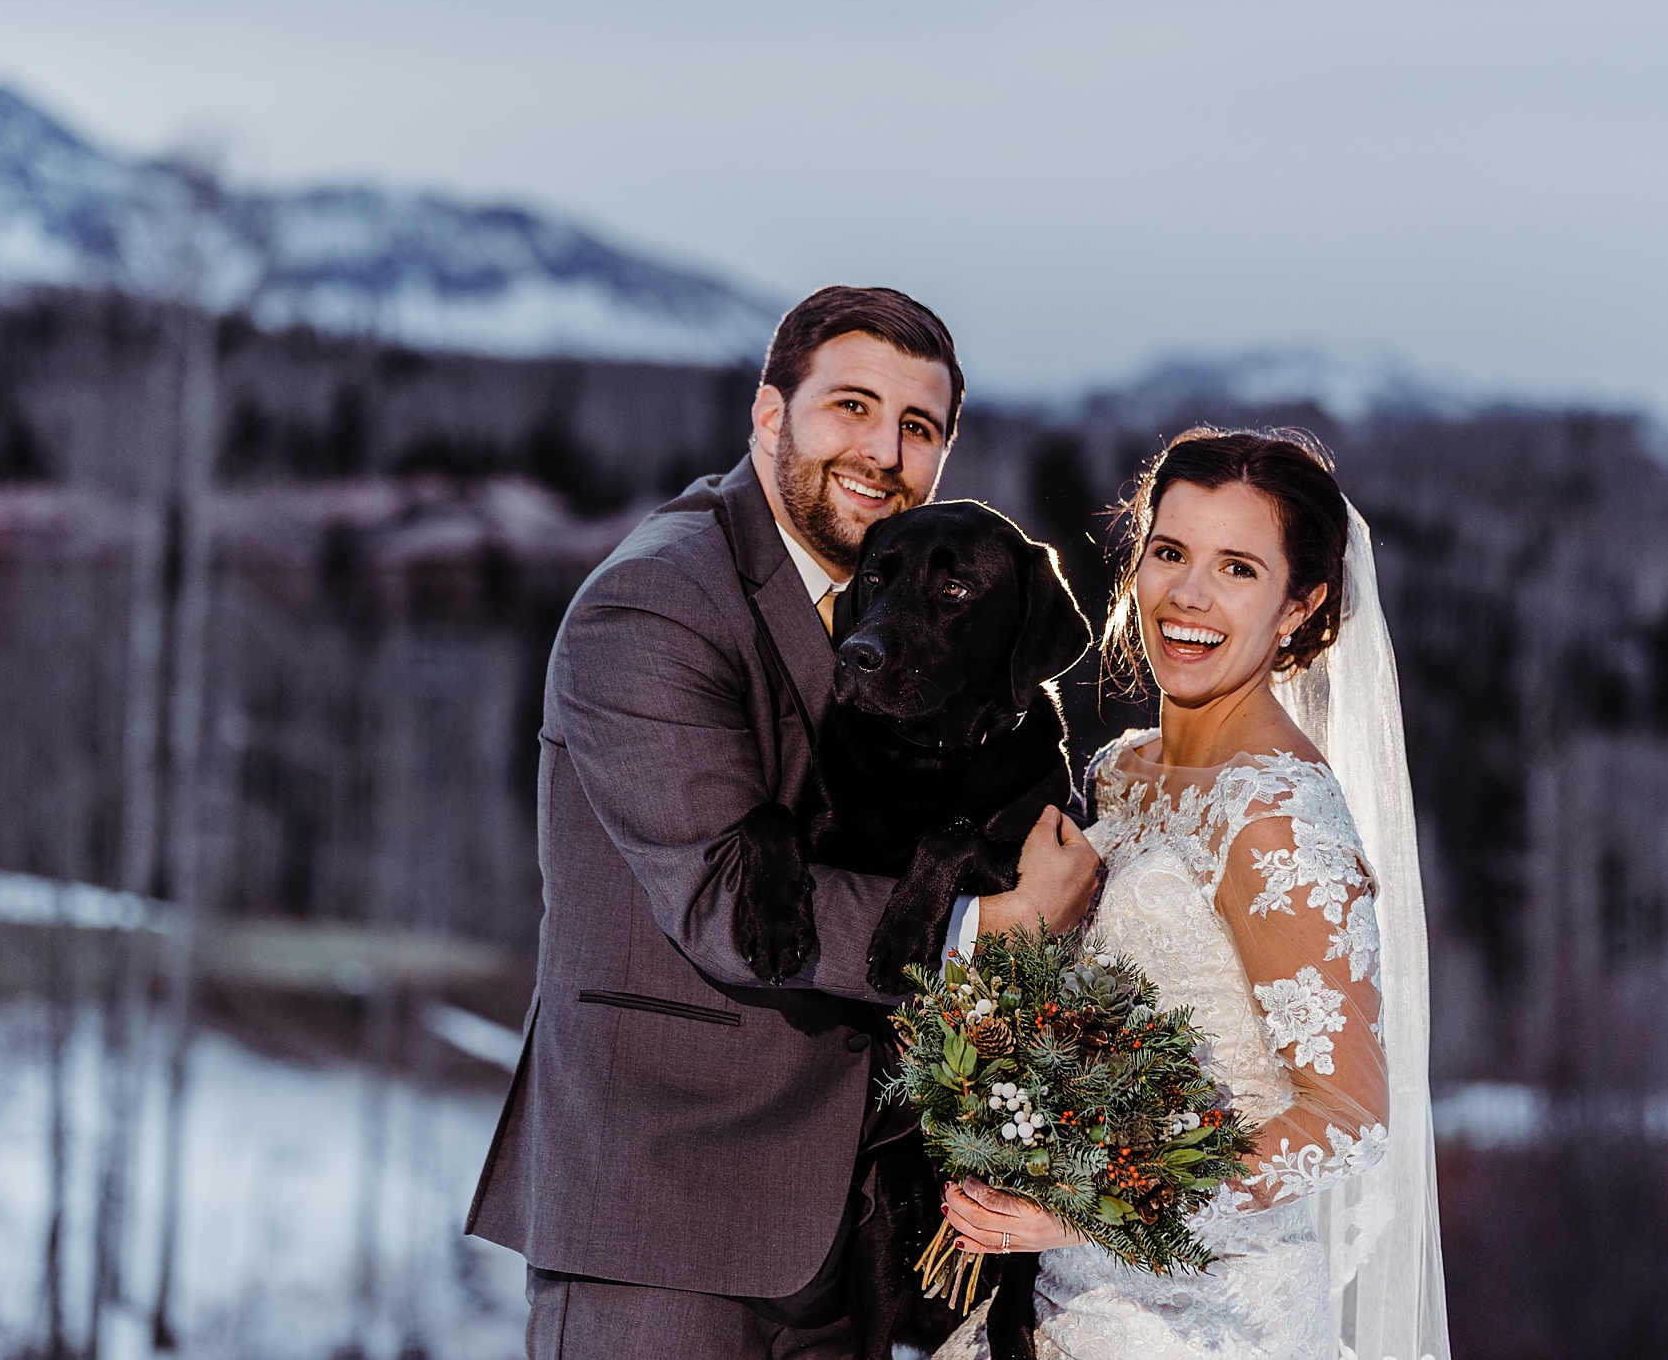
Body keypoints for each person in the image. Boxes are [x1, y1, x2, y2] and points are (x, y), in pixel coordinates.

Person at [465, 286, 1102, 1360]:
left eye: (918, 427)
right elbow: (722, 901)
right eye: (849, 406)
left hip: (848, 1238)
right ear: (769, 415)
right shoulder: (656, 602)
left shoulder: (889, 595)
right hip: (664, 1220)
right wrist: (995, 927)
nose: (883, 451)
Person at [934, 428, 1451, 1360]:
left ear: (1301, 604)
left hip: (1206, 1319)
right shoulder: (1124, 774)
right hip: (1053, 1302)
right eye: (1169, 552)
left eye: (1238, 568)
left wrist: (1092, 1205)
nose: (1189, 595)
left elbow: (1349, 1119)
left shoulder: (1277, 818)